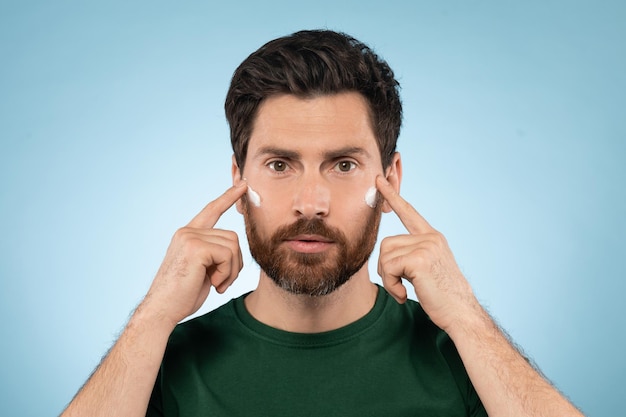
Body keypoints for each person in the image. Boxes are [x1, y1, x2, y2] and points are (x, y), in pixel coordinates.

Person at [61, 30, 584, 417]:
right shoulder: (157, 362)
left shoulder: (465, 357)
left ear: (391, 181)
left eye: (344, 165)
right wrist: (151, 317)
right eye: (280, 165)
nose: (310, 203)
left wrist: (468, 317)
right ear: (238, 181)